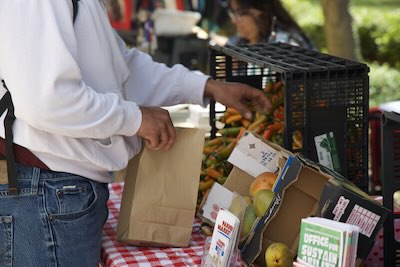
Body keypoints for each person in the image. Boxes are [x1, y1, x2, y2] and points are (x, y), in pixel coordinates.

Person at [0, 1, 271, 266]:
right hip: (42, 190)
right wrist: (135, 118)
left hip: (56, 189)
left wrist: (205, 86)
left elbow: (120, 68)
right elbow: (47, 101)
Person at [227, 0, 315, 49]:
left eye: (239, 13)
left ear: (259, 12)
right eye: (233, 13)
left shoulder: (285, 43)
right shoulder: (239, 42)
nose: (233, 20)